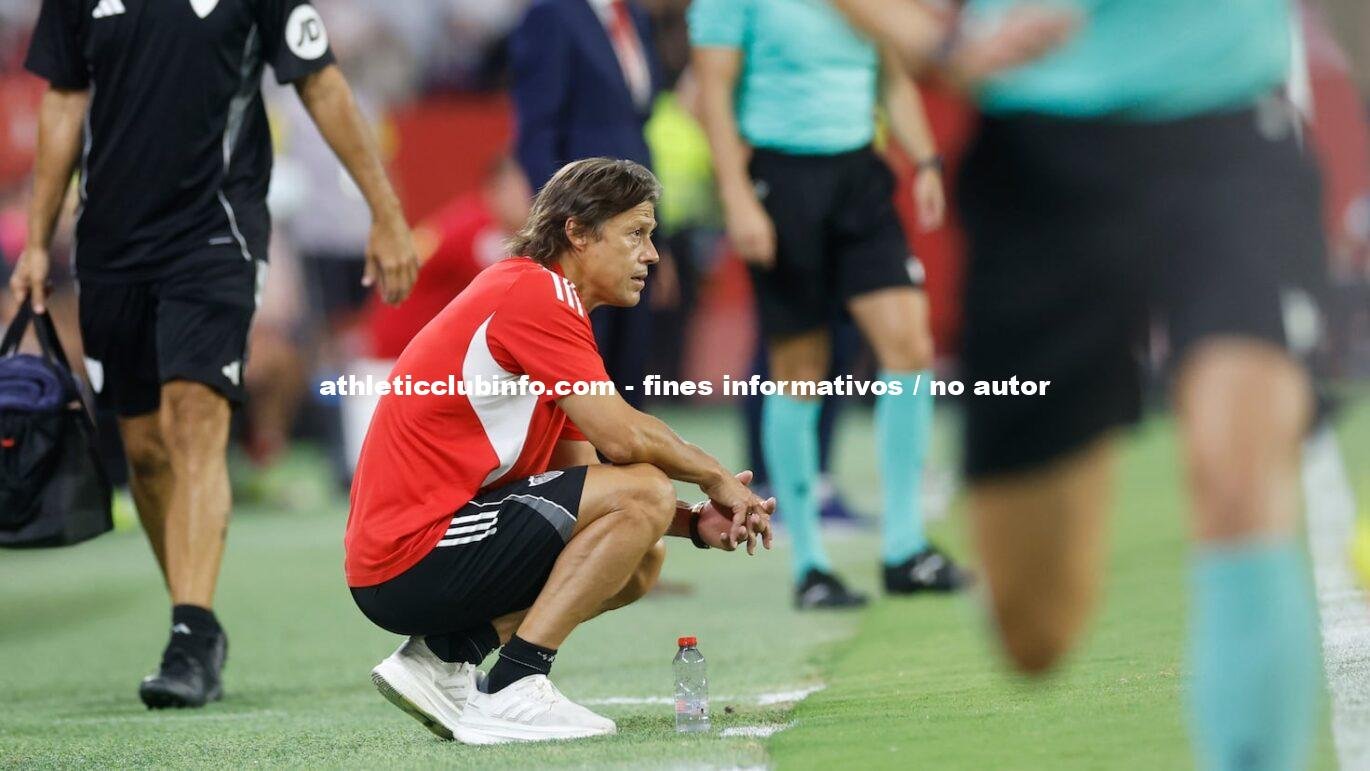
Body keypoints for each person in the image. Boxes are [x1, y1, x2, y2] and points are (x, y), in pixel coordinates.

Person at [838, 1, 1327, 769]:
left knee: (1239, 469)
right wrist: (937, 43)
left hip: (1229, 136)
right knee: (1035, 629)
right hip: (1041, 158)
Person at [14, 0, 419, 709]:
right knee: (143, 447)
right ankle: (192, 618)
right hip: (109, 243)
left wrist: (384, 213)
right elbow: (63, 98)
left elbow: (320, 81)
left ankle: (191, 633)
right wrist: (38, 240)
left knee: (194, 418)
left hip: (215, 233)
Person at [347, 158, 774, 745]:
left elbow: (580, 477)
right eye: (636, 234)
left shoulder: (549, 305)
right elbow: (623, 439)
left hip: (433, 548)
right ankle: (517, 686)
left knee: (640, 559)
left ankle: (443, 659)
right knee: (644, 490)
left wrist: (693, 525)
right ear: (576, 232)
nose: (651, 255)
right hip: (407, 555)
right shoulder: (534, 292)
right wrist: (715, 476)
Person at [689, 0, 966, 609]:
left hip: (861, 177)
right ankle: (810, 566)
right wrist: (737, 198)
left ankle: (905, 550)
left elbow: (890, 73)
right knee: (800, 368)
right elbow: (714, 91)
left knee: (910, 347)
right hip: (781, 179)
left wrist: (924, 160)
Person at [509, 0, 663, 410]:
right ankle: (576, 470)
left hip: (634, 215)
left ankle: (628, 469)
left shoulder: (635, 17)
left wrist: (650, 228)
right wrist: (563, 224)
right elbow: (537, 134)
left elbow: (635, 125)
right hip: (586, 226)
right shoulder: (551, 14)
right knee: (583, 359)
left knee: (630, 362)